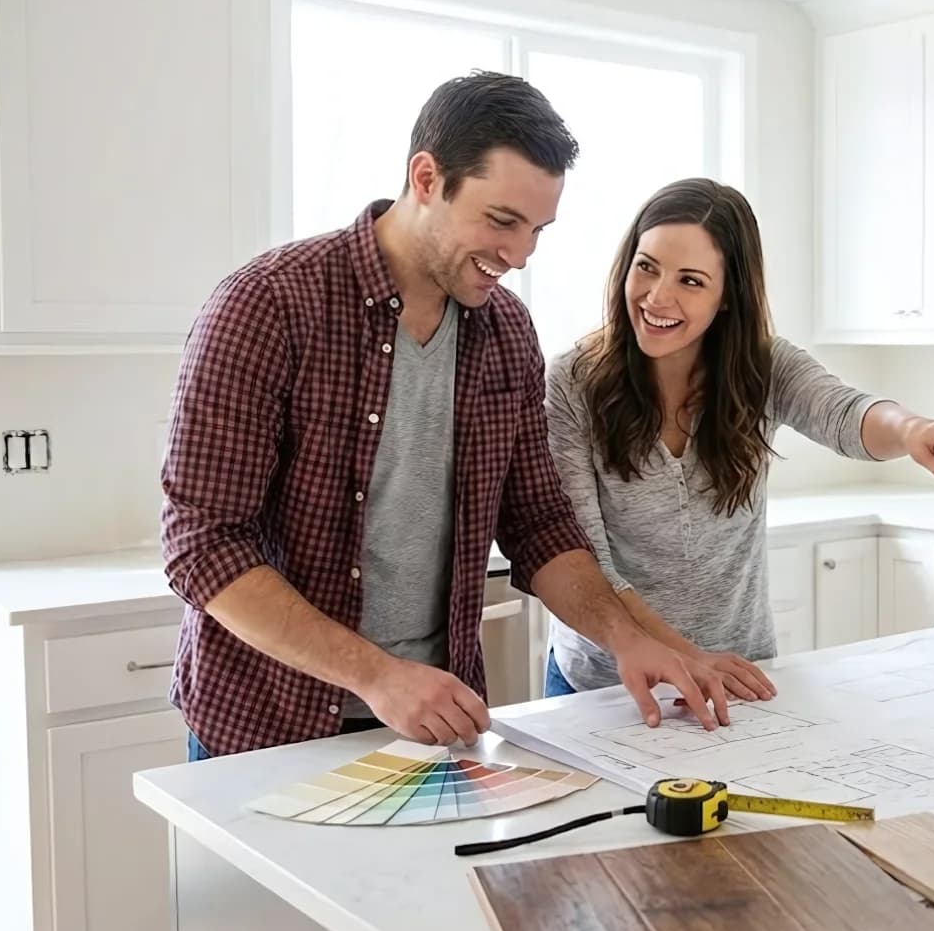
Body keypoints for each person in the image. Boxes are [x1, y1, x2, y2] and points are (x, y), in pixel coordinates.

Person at [160, 72, 735, 761]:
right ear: (426, 178)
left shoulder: (506, 334)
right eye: (500, 221)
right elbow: (202, 543)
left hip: (435, 724)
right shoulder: (267, 307)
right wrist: (378, 676)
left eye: (537, 230)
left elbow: (539, 524)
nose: (519, 256)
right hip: (265, 727)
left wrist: (628, 639)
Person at [541, 177, 934, 699]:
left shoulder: (762, 368)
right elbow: (587, 557)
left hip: (736, 675)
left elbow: (843, 412)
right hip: (603, 684)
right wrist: (690, 659)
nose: (657, 295)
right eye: (646, 267)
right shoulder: (574, 380)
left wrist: (914, 430)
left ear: (728, 297)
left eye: (690, 280)